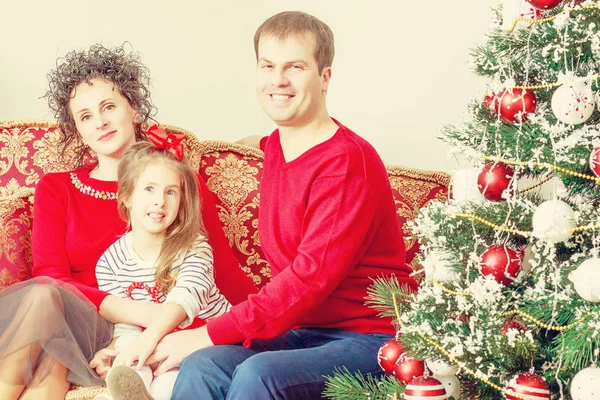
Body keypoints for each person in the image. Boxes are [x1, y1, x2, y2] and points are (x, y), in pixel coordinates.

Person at [146, 11, 418, 400]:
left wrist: (204, 333)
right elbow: (272, 146)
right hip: (302, 331)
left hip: (368, 338)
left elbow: (309, 279)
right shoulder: (276, 145)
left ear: (324, 78)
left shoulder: (346, 163)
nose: (278, 80)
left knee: (260, 374)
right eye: (268, 66)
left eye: (295, 67)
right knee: (202, 365)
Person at [0, 44, 255, 400]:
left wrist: (274, 321)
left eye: (109, 107)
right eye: (86, 116)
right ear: (77, 131)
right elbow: (51, 276)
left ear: (133, 109)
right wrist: (143, 312)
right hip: (85, 318)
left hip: (164, 318)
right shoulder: (57, 188)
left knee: (52, 344)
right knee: (46, 306)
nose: (100, 122)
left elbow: (221, 270)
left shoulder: (180, 182)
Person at [97, 140, 231, 400]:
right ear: (126, 196)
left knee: (169, 382)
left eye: (171, 192)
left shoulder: (195, 247)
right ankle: (124, 392)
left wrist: (148, 340)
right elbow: (126, 326)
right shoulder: (109, 262)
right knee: (128, 348)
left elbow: (185, 299)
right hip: (150, 345)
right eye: (149, 189)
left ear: (181, 201)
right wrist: (124, 349)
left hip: (204, 339)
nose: (160, 201)